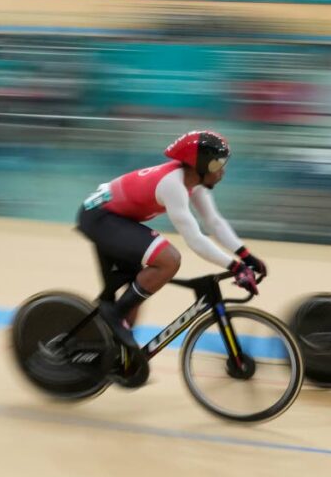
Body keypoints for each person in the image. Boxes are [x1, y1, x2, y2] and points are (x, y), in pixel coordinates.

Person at [75, 130, 267, 362]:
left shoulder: (192, 182)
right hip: (100, 216)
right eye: (218, 163)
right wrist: (235, 268)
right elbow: (195, 239)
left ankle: (118, 359)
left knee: (137, 289)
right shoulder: (172, 185)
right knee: (168, 260)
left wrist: (246, 257)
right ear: (200, 165)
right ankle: (113, 314)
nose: (222, 171)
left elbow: (214, 222)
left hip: (114, 217)